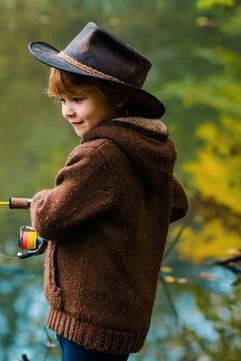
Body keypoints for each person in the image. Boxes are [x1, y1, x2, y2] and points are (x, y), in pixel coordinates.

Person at [26, 22, 189, 360]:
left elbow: (48, 218)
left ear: (116, 97)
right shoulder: (147, 148)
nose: (68, 111)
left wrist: (41, 198)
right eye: (62, 100)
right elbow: (175, 203)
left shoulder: (100, 154)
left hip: (88, 321)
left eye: (78, 99)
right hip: (121, 318)